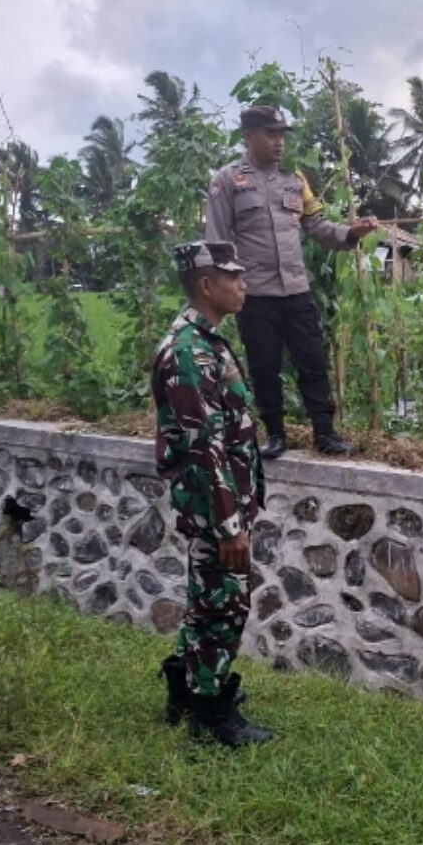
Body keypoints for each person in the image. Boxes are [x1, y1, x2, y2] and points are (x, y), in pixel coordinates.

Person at [152, 239, 274, 748]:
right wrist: (229, 524)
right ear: (206, 284)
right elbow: (205, 450)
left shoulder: (205, 341)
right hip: (213, 507)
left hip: (219, 502)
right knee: (225, 606)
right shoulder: (188, 353)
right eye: (233, 276)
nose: (243, 284)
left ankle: (185, 687)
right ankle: (210, 713)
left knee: (208, 601)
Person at [205, 104, 379, 459]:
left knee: (312, 362)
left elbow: (318, 227)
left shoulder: (295, 179)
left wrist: (352, 233)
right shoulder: (227, 181)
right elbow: (217, 243)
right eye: (271, 134)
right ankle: (276, 435)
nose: (279, 142)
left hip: (297, 290)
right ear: (249, 136)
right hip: (256, 295)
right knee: (264, 367)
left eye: (282, 134)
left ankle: (325, 434)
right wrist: (226, 293)